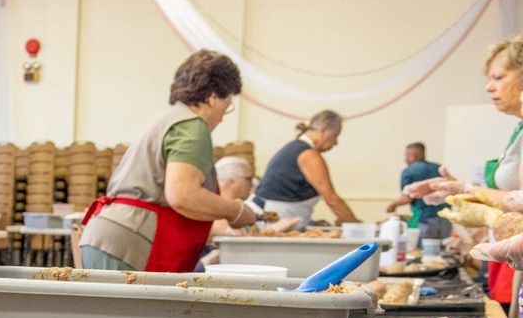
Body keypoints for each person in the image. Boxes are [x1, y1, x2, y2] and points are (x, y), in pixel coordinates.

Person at [77, 50, 257, 273]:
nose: (222, 116)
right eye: (226, 105)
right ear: (212, 97)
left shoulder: (170, 119)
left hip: (115, 237)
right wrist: (236, 210)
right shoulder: (192, 126)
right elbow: (183, 195)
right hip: (132, 244)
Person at [406, 35, 523, 310]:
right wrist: (458, 191)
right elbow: (508, 197)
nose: (489, 87)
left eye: (498, 77)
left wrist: (465, 190)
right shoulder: (518, 130)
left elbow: (517, 200)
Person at [252, 110, 359, 229]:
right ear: (324, 131)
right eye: (335, 136)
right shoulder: (308, 155)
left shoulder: (295, 148)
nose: (336, 143)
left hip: (275, 215)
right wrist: (357, 226)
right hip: (273, 218)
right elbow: (331, 199)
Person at [384, 142, 450, 239]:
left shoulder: (409, 171)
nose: (405, 159)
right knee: (441, 252)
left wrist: (393, 205)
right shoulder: (439, 168)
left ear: (413, 156)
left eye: (406, 156)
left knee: (422, 251)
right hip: (446, 220)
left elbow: (407, 198)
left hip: (425, 221)